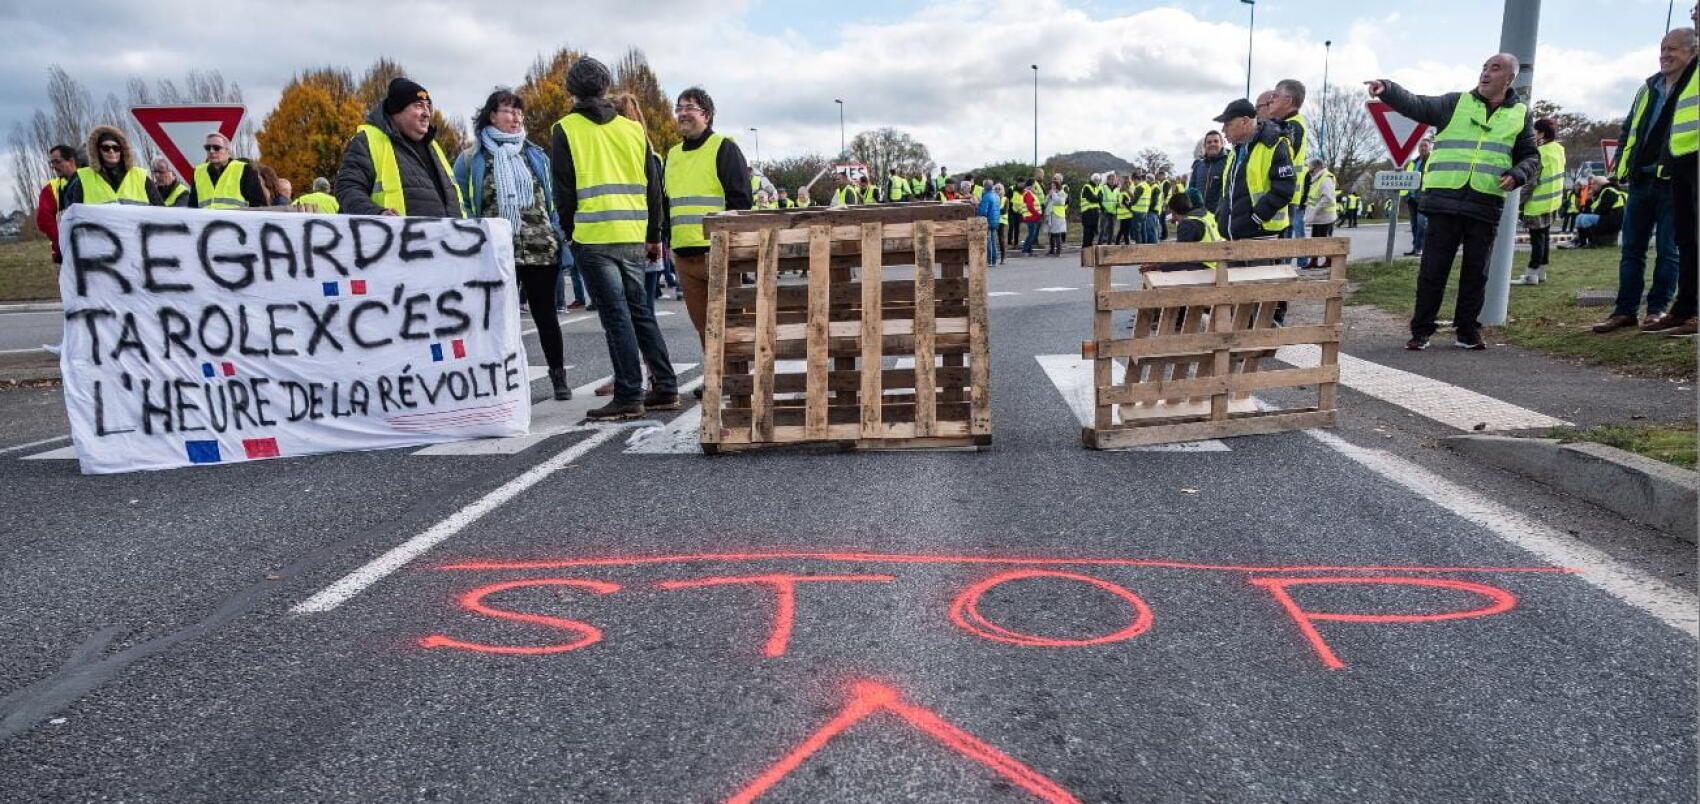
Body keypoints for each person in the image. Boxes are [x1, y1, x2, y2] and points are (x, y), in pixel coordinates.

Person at [1367, 53, 1541, 351]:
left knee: (1476, 273)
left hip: (1484, 204)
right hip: (1444, 200)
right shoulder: (1455, 102)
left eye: (1495, 68)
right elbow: (1417, 105)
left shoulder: (1520, 114)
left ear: (1509, 79)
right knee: (1433, 270)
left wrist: (1518, 174)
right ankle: (1421, 330)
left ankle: (1467, 331)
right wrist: (1388, 88)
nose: (1486, 73)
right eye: (1484, 67)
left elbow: (1531, 156)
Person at [549, 57, 679, 420]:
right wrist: (654, 234)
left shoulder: (566, 129)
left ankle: (628, 393)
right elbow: (654, 186)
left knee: (616, 317)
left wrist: (570, 232)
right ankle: (665, 386)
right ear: (606, 88)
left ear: (570, 90)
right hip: (632, 233)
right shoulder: (633, 129)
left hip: (593, 235)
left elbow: (563, 188)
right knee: (641, 311)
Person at [454, 87, 572, 401]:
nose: (515, 117)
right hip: (497, 251)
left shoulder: (534, 154)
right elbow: (463, 201)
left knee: (546, 316)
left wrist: (558, 235)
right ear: (491, 115)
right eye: (508, 111)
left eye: (519, 112)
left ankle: (558, 376)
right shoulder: (471, 158)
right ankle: (500, 382)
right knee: (497, 319)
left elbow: (552, 199)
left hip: (540, 248)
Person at [1591, 27, 1696, 333]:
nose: (1665, 54)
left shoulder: (1692, 86)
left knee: (1669, 249)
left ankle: (1658, 309)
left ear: (1692, 52)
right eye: (1663, 48)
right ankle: (1624, 311)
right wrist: (1620, 170)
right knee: (1631, 249)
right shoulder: (1647, 88)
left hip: (1674, 178)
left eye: (1673, 49)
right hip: (1640, 179)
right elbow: (1630, 131)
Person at [663, 85, 753, 357]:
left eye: (690, 108)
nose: (682, 114)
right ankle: (715, 378)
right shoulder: (673, 155)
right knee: (703, 326)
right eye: (679, 108)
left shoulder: (724, 148)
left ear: (708, 115)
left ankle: (736, 379)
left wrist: (733, 245)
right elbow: (668, 203)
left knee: (728, 322)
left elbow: (740, 201)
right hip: (684, 255)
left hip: (717, 252)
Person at [335, 77, 463, 217]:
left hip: (447, 237)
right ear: (397, 111)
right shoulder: (368, 141)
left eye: (428, 106)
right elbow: (348, 189)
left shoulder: (433, 147)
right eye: (419, 105)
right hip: (393, 237)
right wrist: (376, 215)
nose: (427, 113)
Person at [1651, 20, 1698, 337]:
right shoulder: (1684, 76)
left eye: (1672, 49)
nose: (1665, 55)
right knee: (1687, 239)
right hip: (1683, 159)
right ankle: (1685, 309)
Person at [1214, 98, 1295, 242]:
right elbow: (1228, 190)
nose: (1223, 130)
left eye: (1228, 124)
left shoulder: (1273, 144)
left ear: (1245, 121)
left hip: (1261, 237)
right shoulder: (1235, 151)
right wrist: (1221, 215)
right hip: (1235, 236)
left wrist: (1256, 218)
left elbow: (1284, 189)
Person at [57, 125, 161, 208]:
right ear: (97, 151)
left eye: (116, 148)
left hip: (136, 234)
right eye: (106, 148)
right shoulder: (84, 179)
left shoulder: (140, 177)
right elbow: (75, 216)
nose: (111, 151)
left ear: (122, 150)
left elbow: (162, 211)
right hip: (99, 235)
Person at [1516, 118, 1566, 285]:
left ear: (1542, 134)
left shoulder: (1539, 153)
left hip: (1536, 204)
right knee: (1544, 238)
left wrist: (1518, 202)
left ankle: (1531, 274)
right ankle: (1541, 272)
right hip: (1552, 202)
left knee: (1537, 239)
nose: (1533, 135)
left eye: (1535, 132)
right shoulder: (1559, 149)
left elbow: (1531, 182)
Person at [1264, 80, 1312, 248]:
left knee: (1277, 252)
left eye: (1275, 96)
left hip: (1282, 196)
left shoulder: (1290, 127)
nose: (1271, 100)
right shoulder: (1295, 123)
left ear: (1288, 100)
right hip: (1287, 196)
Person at [187, 132, 267, 210]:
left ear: (228, 151)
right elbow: (192, 207)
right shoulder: (198, 172)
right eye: (208, 148)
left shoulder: (244, 169)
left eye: (216, 148)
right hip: (207, 222)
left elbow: (259, 206)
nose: (211, 151)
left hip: (236, 222)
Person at [35, 145, 78, 263]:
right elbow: (44, 221)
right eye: (51, 163)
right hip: (67, 253)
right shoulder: (50, 188)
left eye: (57, 162)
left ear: (71, 161)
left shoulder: (90, 181)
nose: (53, 166)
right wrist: (64, 241)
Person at [1573, 176, 1627, 248]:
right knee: (1579, 217)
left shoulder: (1608, 191)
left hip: (1614, 220)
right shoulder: (1607, 190)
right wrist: (1591, 198)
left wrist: (1592, 212)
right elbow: (1595, 208)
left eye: (1592, 184)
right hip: (1611, 218)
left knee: (1585, 219)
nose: (1591, 187)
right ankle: (1581, 242)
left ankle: (1593, 242)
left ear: (1598, 184)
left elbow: (1603, 208)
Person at [1303, 158, 1338, 268]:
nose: (1310, 173)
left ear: (1318, 168)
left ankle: (1328, 261)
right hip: (1318, 217)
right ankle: (1313, 261)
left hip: (1325, 217)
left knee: (1325, 240)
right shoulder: (1317, 178)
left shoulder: (1326, 178)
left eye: (1311, 171)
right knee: (1315, 240)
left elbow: (1328, 198)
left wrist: (1315, 209)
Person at [1402, 138, 1432, 255]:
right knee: (1414, 225)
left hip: (1424, 197)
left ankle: (1422, 248)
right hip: (1411, 198)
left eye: (1425, 146)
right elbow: (1407, 179)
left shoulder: (1432, 161)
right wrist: (1406, 195)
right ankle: (1416, 248)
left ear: (1429, 147)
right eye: (1421, 146)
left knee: (1421, 224)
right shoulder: (1413, 162)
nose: (1423, 148)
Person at [979, 181, 1004, 265]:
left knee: (988, 241)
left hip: (988, 221)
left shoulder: (986, 196)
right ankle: (994, 260)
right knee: (993, 241)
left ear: (985, 187)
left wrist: (977, 209)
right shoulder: (996, 196)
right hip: (996, 220)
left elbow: (983, 211)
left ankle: (989, 260)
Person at [1078, 173, 1103, 248]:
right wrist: (1097, 198)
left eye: (1098, 180)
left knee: (1093, 231)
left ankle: (1089, 246)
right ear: (1092, 179)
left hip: (1095, 212)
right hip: (1087, 212)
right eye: (1095, 179)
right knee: (1087, 230)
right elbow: (1091, 198)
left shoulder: (1099, 188)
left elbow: (1101, 199)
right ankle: (1085, 246)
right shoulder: (1087, 187)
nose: (1096, 181)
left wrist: (1097, 198)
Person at [1019, 180, 1043, 255]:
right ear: (1031, 186)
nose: (1035, 189)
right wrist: (1037, 214)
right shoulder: (1028, 194)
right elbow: (1030, 206)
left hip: (1031, 217)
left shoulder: (1028, 193)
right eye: (1034, 187)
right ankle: (1025, 250)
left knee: (1032, 234)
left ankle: (1029, 250)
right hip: (1032, 217)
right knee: (1031, 235)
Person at [1045, 178, 1068, 256]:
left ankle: (1058, 251)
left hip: (1058, 216)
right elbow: (1046, 202)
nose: (1052, 187)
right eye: (1051, 186)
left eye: (1054, 186)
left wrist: (1054, 194)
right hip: (1051, 215)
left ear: (1057, 186)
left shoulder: (1062, 193)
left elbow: (1061, 202)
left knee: (1057, 234)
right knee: (1051, 234)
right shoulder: (1051, 193)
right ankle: (1051, 250)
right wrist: (1048, 196)